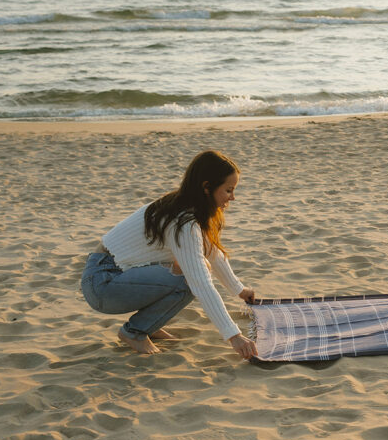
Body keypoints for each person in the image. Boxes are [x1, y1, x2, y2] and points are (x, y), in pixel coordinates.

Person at [81, 150, 259, 359]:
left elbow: (211, 251)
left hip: (110, 274)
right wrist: (234, 336)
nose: (233, 197)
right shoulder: (183, 221)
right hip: (103, 284)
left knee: (191, 269)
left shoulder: (186, 207)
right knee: (188, 278)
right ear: (206, 187)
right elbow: (201, 283)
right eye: (228, 190)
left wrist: (239, 289)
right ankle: (135, 332)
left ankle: (150, 325)